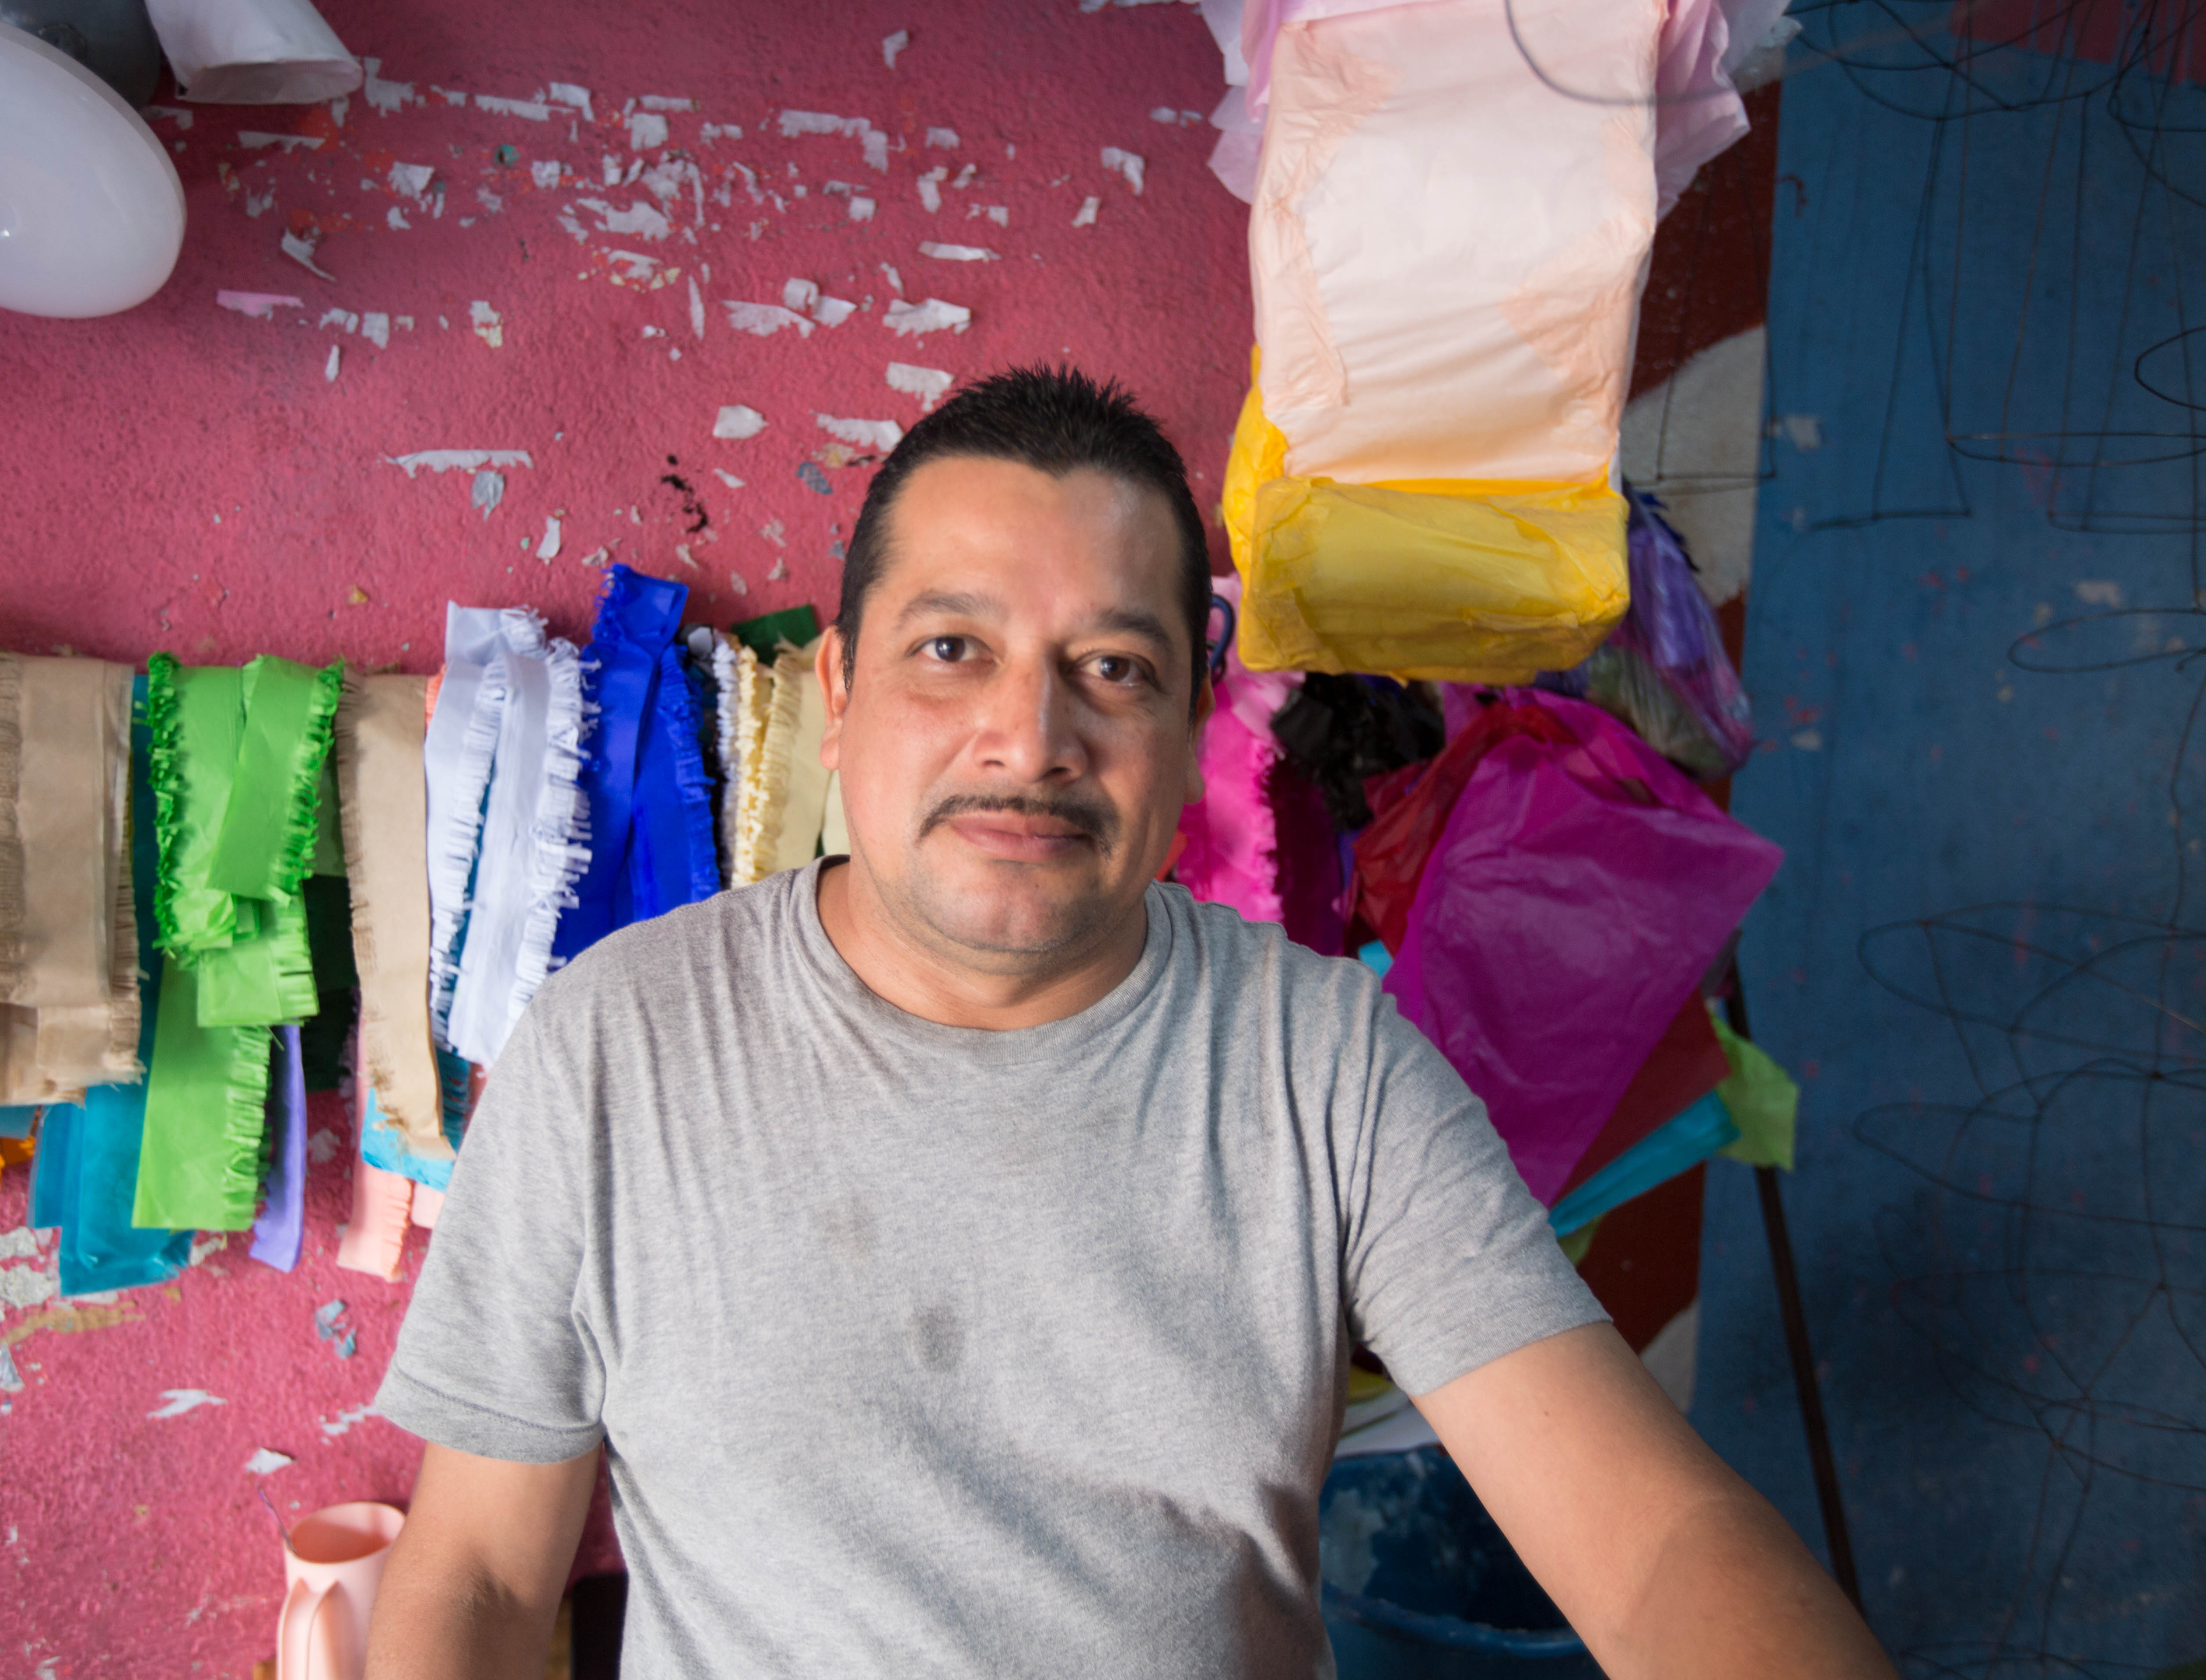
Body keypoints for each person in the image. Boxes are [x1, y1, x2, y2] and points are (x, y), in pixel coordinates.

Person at [367, 367, 1895, 1678]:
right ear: (838, 693)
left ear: (1184, 731)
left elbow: (1651, 1546)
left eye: (1112, 669)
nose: (1030, 739)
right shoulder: (612, 1048)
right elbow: (484, 1581)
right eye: (952, 650)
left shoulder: (1327, 1075)